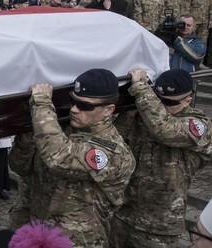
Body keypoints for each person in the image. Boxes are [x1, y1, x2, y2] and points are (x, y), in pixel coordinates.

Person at [9, 69, 135, 247]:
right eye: (73, 101)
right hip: (36, 234)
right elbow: (19, 166)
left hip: (76, 241)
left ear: (108, 110)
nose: (74, 109)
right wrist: (26, 140)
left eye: (85, 106)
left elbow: (59, 158)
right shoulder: (58, 131)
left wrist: (42, 104)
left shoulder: (113, 152)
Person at [109, 68, 212, 247]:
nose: (161, 105)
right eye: (158, 99)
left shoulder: (198, 125)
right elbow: (114, 143)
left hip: (160, 225)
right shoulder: (146, 116)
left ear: (188, 99)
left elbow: (165, 131)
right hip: (124, 215)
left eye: (167, 102)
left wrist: (141, 89)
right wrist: (128, 113)